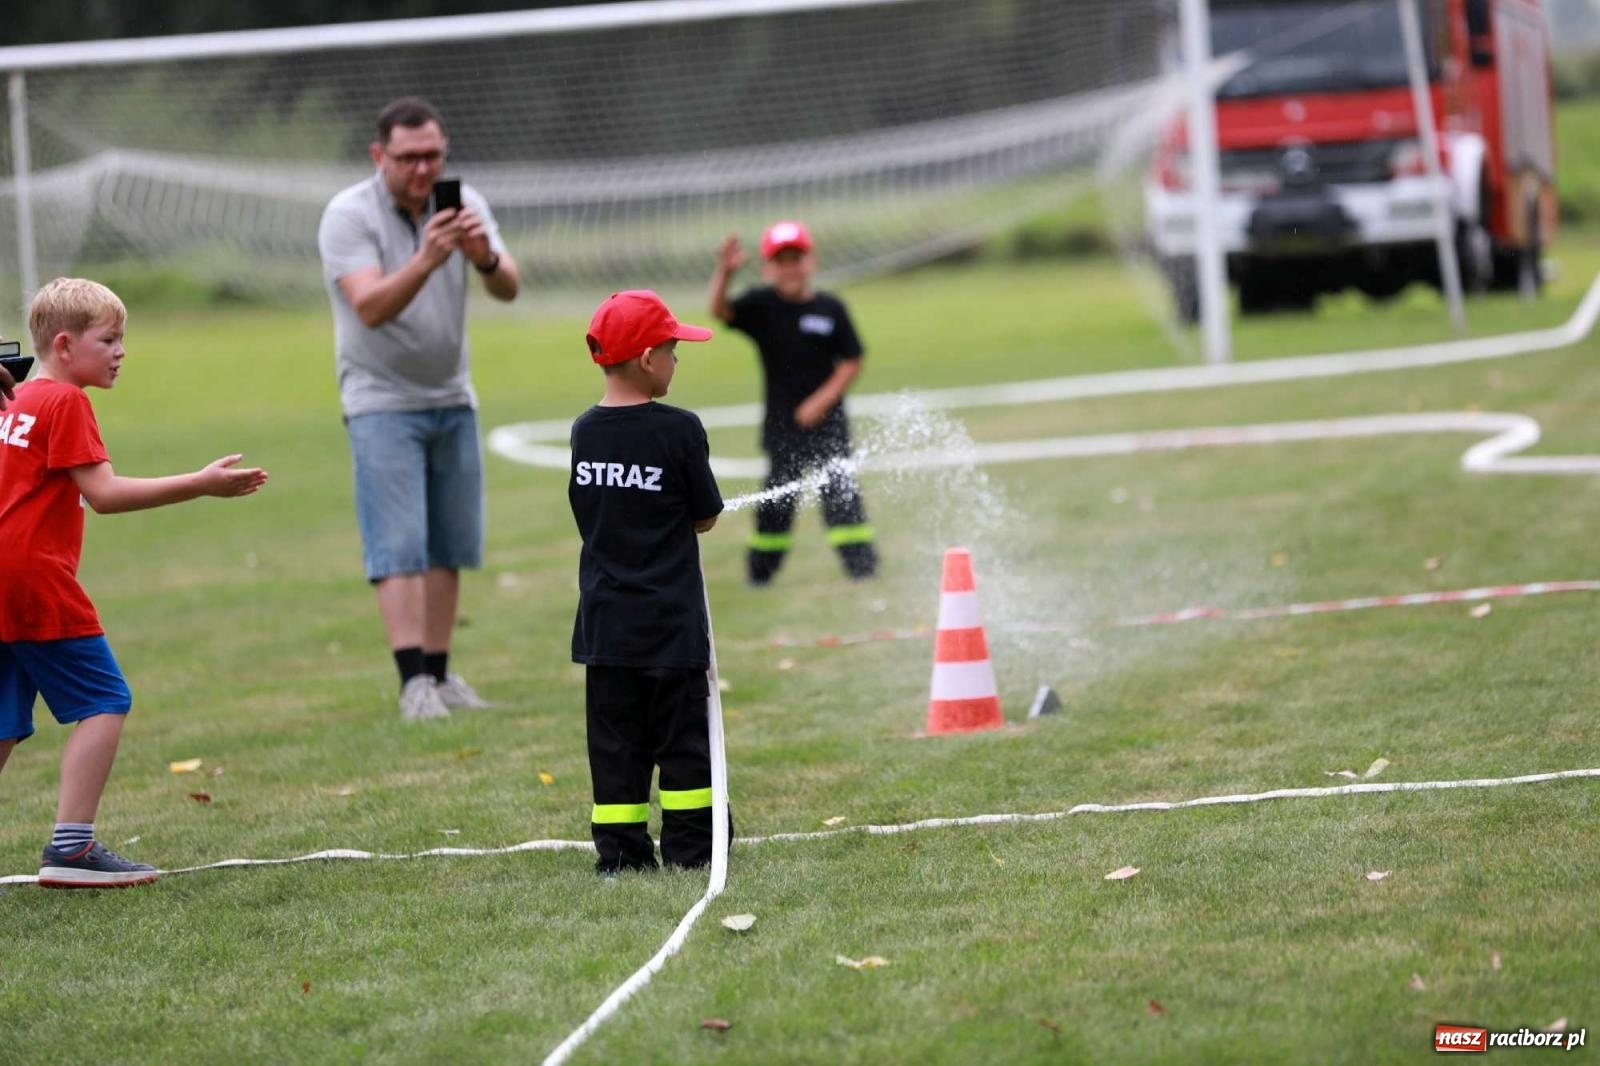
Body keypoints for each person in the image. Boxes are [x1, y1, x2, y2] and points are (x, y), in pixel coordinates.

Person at [0, 278, 267, 888]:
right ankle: (71, 849)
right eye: (110, 339)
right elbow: (105, 495)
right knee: (103, 700)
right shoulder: (65, 403)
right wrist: (199, 484)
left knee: (4, 720)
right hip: (33, 576)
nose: (121, 351)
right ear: (64, 346)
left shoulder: (13, 401)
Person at [317, 97, 521, 721]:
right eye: (409, 158)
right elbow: (371, 306)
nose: (423, 169)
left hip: (453, 394)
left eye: (433, 155)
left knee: (449, 544)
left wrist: (483, 254)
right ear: (381, 155)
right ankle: (412, 684)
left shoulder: (463, 201)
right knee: (398, 545)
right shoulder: (347, 215)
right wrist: (430, 257)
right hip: (380, 399)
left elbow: (508, 286)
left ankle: (440, 673)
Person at [569, 290, 725, 874]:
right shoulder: (680, 430)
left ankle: (622, 857)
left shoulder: (585, 432)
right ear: (646, 360)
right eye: (672, 348)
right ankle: (693, 849)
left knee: (616, 750)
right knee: (683, 745)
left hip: (606, 627)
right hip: (669, 626)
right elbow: (704, 515)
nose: (678, 359)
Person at [708, 220, 878, 586]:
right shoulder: (762, 306)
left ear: (810, 262)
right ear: (768, 267)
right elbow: (720, 311)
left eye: (796, 259)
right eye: (781, 260)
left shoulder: (831, 308)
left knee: (841, 497)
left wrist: (822, 400)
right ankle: (761, 573)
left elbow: (852, 359)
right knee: (776, 505)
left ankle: (862, 569)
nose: (790, 268)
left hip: (829, 424)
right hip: (783, 426)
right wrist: (725, 272)